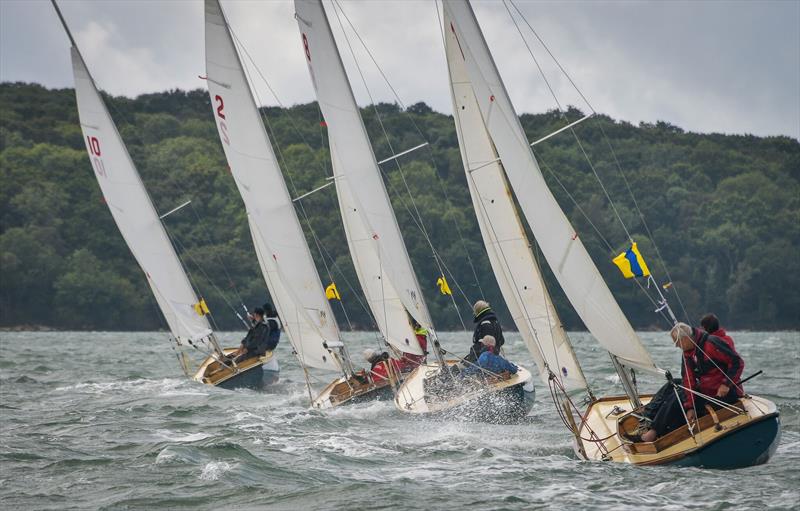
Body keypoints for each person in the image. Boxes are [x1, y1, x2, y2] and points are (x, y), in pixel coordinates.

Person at [640, 322, 744, 442]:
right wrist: (690, 407)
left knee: (677, 397)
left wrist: (726, 384)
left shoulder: (712, 343)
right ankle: (654, 425)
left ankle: (653, 433)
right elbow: (688, 381)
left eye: (677, 342)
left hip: (724, 396)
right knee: (677, 390)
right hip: (707, 393)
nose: (677, 346)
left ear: (686, 339)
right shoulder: (688, 353)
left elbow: (737, 362)